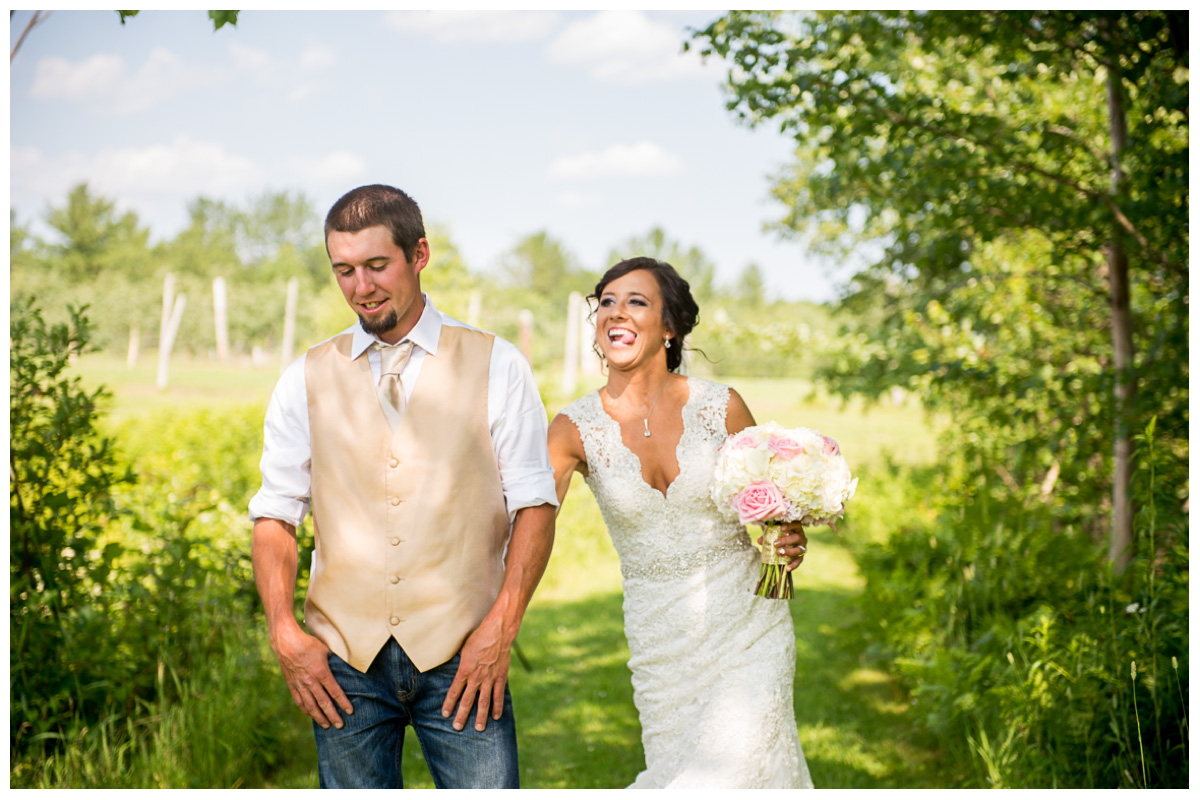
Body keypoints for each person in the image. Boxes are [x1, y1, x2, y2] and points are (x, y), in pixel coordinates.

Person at [249, 184, 557, 789]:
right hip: (345, 663)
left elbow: (535, 505)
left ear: (419, 254)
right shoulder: (303, 376)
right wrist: (284, 631)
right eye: (344, 270)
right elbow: (275, 514)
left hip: (465, 653)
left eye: (376, 265)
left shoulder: (497, 363)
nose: (360, 287)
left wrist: (501, 627)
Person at [547, 257, 814, 788]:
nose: (616, 313)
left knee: (734, 771)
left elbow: (772, 508)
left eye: (636, 302)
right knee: (678, 773)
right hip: (658, 638)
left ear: (670, 327)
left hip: (747, 626)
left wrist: (789, 535)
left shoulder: (723, 407)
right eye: (606, 302)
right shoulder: (572, 429)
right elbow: (526, 526)